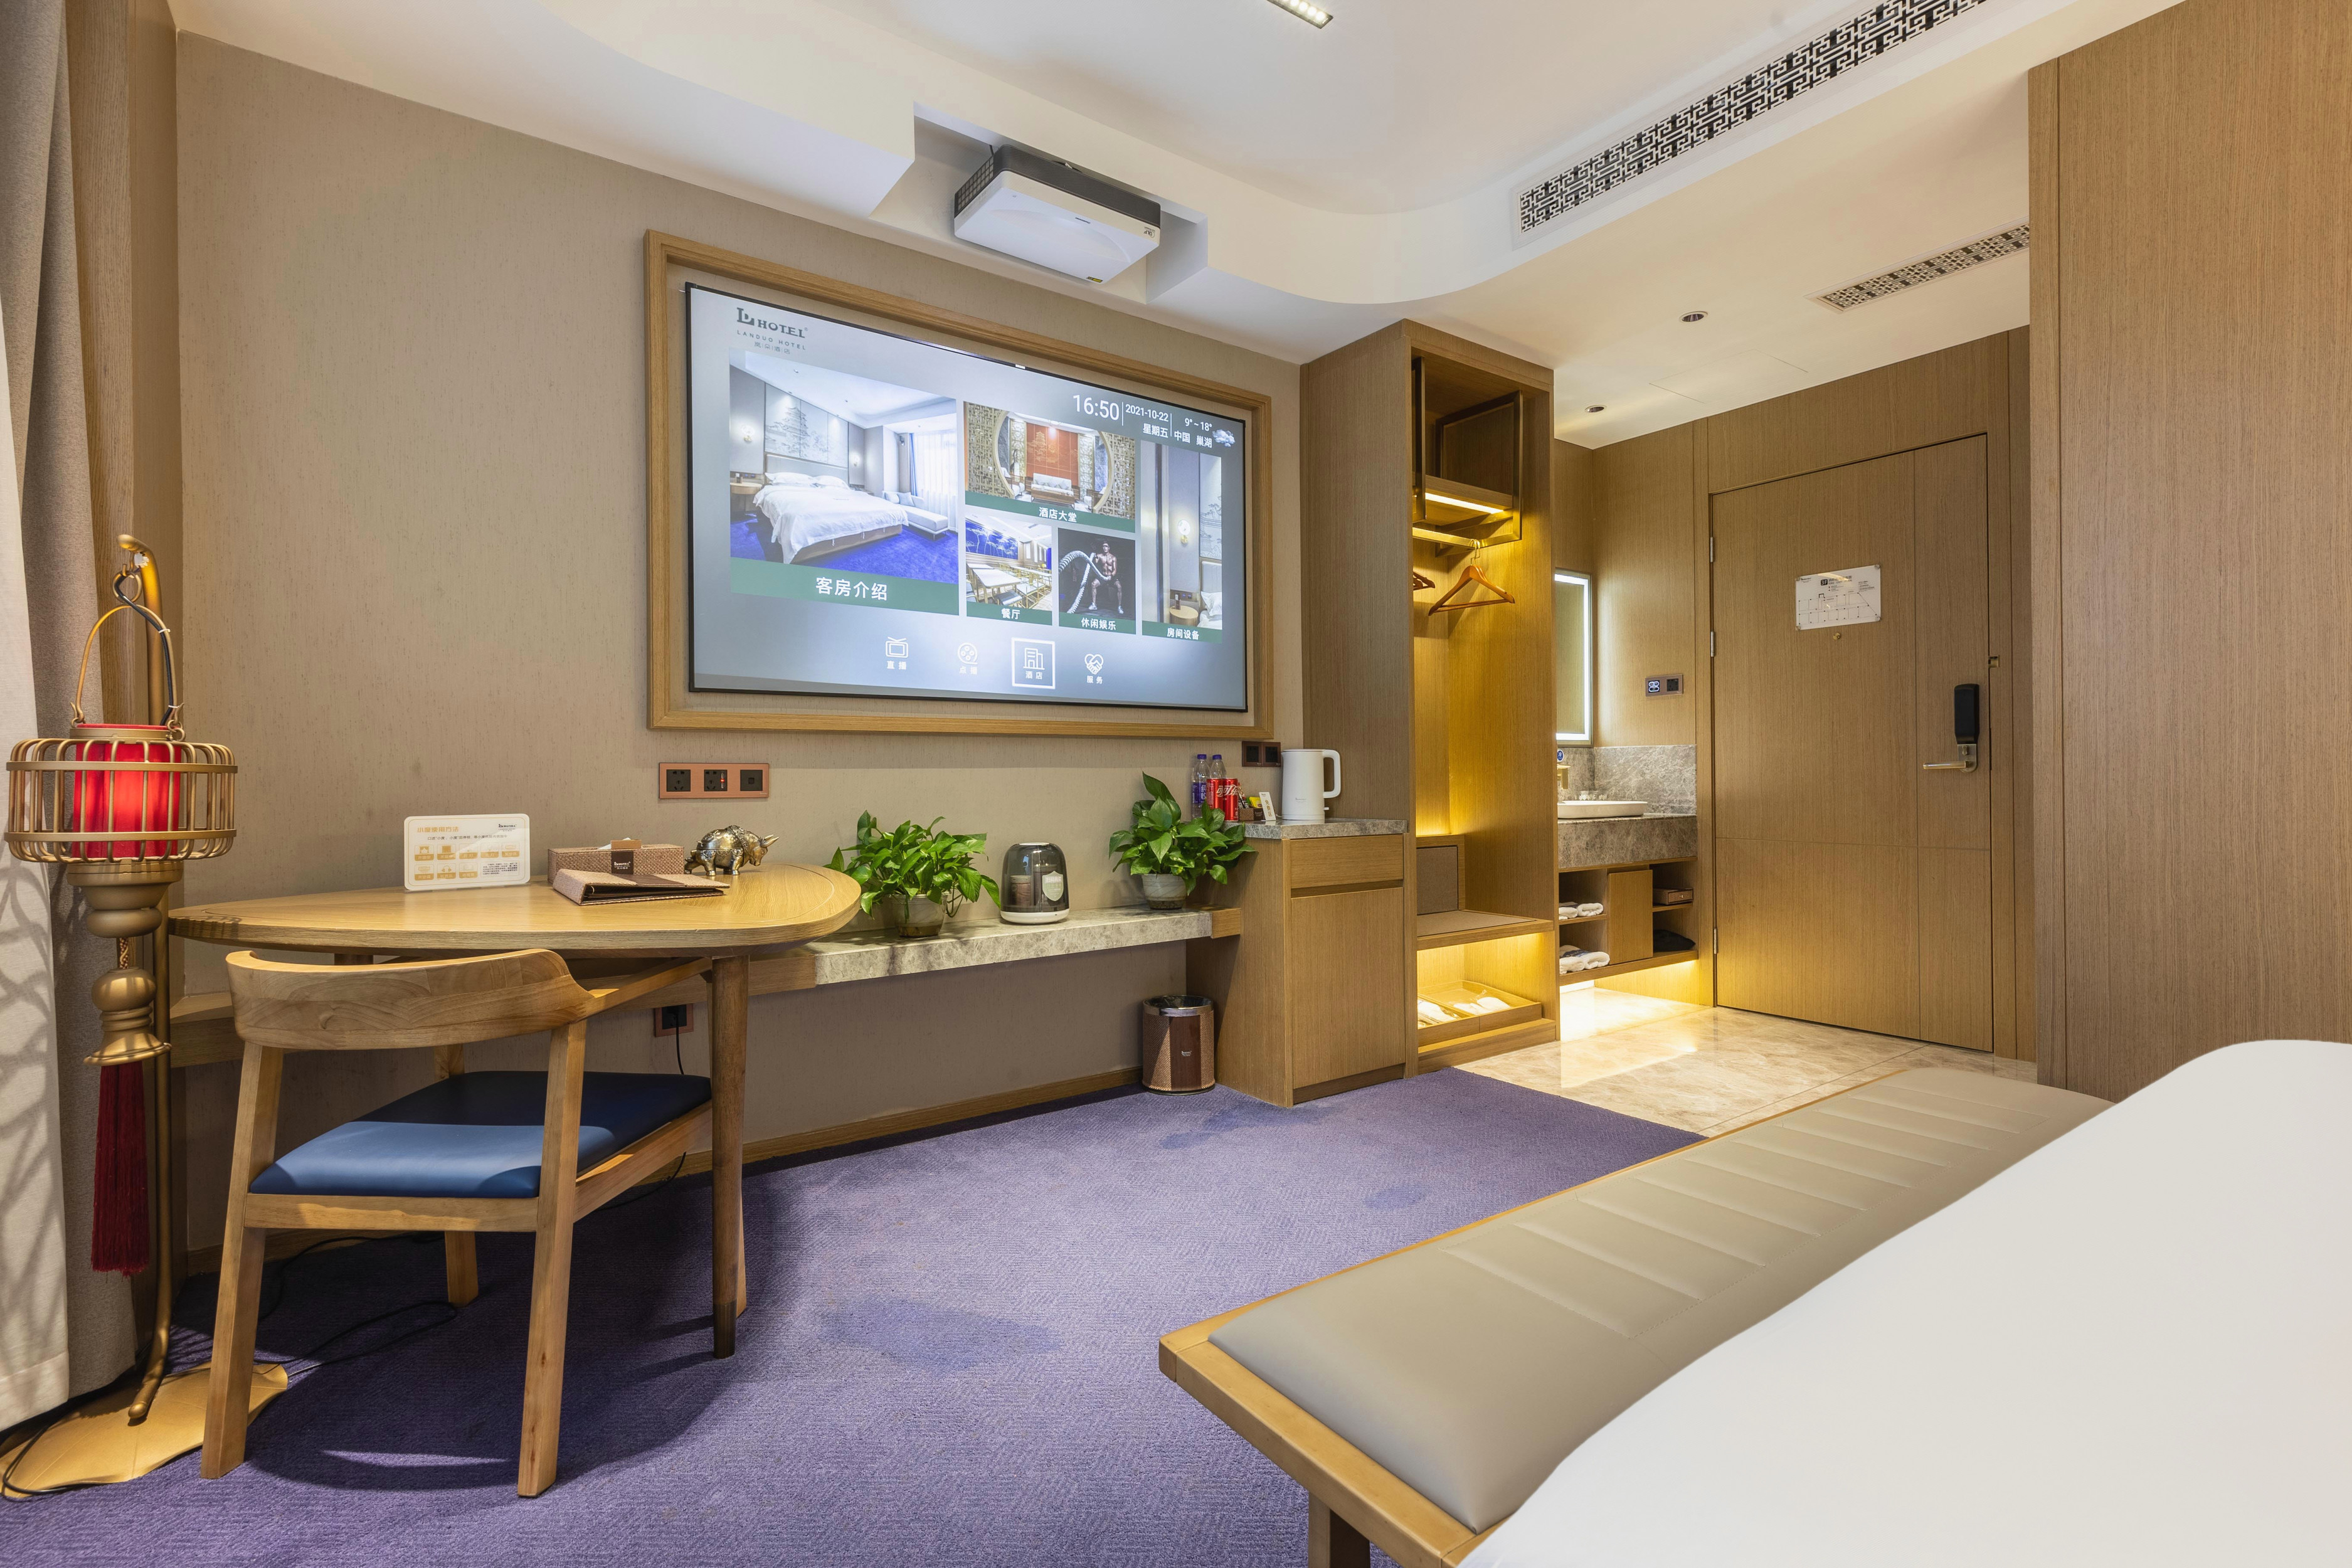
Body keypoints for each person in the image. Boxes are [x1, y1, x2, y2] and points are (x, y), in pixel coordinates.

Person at [1088, 540, 1124, 616]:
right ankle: (1094, 605)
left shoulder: (1113, 558)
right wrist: (1095, 556)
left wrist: (1111, 576)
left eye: (1106, 546)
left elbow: (1115, 570)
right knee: (1093, 584)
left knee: (1119, 587)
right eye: (1103, 546)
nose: (1104, 548)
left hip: (1112, 577)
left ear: (1109, 548)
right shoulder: (1100, 556)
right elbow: (1095, 563)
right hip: (1103, 576)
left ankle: (1120, 607)